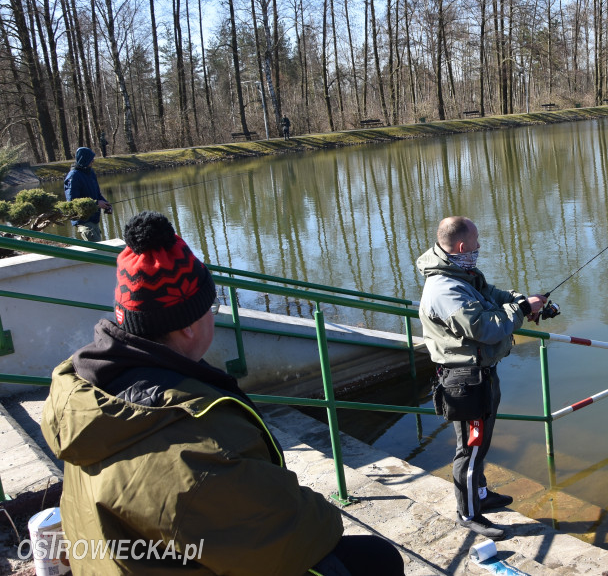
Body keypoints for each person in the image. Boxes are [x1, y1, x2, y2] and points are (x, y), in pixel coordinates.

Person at [42, 211, 404, 576]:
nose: (214, 316)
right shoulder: (196, 441)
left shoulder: (85, 393)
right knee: (378, 559)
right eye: (211, 308)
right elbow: (290, 534)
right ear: (187, 327)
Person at [416, 216, 547, 540]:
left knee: (481, 442)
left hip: (483, 374)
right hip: (465, 381)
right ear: (462, 246)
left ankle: (482, 494)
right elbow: (486, 329)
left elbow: (492, 295)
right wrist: (518, 313)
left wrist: (522, 302)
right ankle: (468, 513)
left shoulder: (462, 273)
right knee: (470, 449)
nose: (479, 247)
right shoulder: (445, 289)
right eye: (476, 241)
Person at [64, 146, 111, 241]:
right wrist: (96, 204)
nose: (93, 162)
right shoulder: (73, 176)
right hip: (83, 221)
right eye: (91, 160)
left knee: (100, 247)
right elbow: (73, 202)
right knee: (98, 250)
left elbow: (97, 194)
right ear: (84, 159)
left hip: (94, 219)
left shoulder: (91, 173)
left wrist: (106, 204)